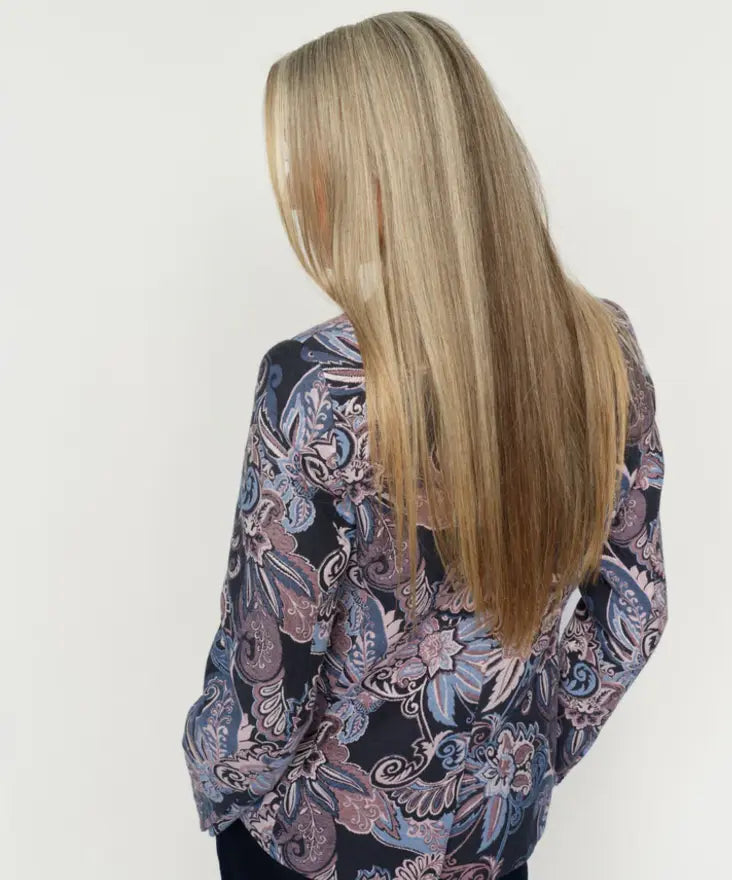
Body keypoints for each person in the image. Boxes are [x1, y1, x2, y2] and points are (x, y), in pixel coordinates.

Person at [181, 11, 668, 880]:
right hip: (489, 849)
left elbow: (267, 687)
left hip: (314, 853)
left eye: (313, 162)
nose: (297, 190)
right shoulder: (602, 350)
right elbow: (633, 614)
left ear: (381, 176)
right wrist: (517, 767)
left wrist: (218, 786)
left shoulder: (319, 386)